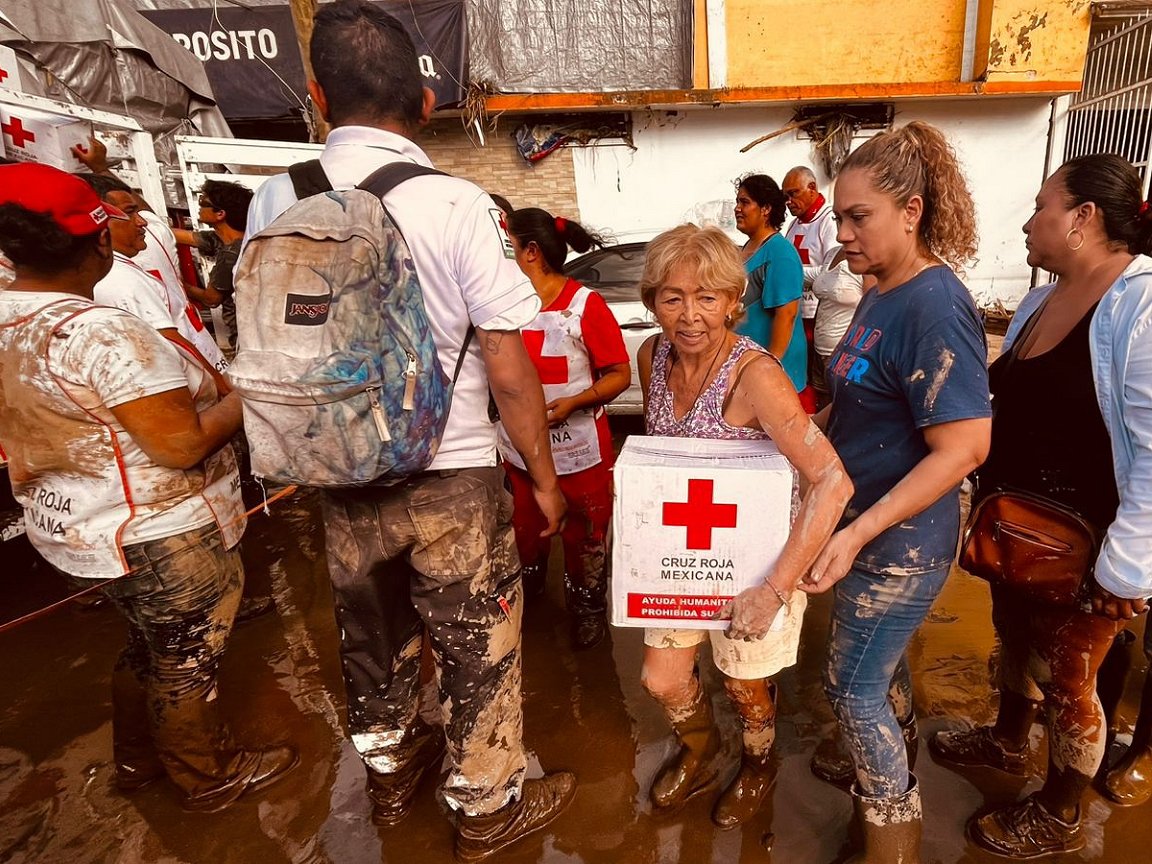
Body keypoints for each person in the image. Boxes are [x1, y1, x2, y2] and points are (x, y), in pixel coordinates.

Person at [240, 2, 573, 859]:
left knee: (372, 638)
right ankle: (488, 810)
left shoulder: (277, 198)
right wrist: (540, 473)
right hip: (449, 472)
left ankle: (393, 780)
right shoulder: (457, 202)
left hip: (335, 473)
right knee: (477, 643)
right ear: (426, 104)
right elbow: (507, 362)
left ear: (317, 95)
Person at [0, 163, 297, 812]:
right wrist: (253, 384)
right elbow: (182, 443)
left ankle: (137, 760)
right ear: (99, 241)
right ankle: (206, 775)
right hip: (155, 531)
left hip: (80, 526)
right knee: (187, 655)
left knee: (148, 644)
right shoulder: (97, 331)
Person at [929, 154, 1152, 859]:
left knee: (1071, 679)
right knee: (1017, 642)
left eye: (1040, 207)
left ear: (1083, 218)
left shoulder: (1139, 307)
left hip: (1089, 545)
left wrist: (1126, 568)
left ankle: (1059, 810)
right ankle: (1005, 740)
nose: (1027, 223)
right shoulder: (1040, 300)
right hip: (1019, 532)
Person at [797, 122, 992, 862]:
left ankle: (891, 834)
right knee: (878, 671)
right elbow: (859, 403)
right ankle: (891, 755)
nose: (839, 233)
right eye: (838, 217)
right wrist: (793, 432)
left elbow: (966, 446)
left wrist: (852, 532)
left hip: (899, 543)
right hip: (864, 526)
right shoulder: (882, 288)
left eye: (857, 217)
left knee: (851, 688)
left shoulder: (935, 304)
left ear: (911, 211)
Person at [636, 224, 853, 829]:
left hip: (755, 565)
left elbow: (831, 481)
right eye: (672, 296)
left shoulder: (754, 376)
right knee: (662, 677)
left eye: (708, 297)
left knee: (744, 687)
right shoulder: (651, 357)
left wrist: (776, 587)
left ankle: (759, 767)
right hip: (680, 555)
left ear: (735, 302)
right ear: (652, 301)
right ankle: (701, 752)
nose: (690, 315)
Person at [498, 208, 631, 650]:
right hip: (519, 454)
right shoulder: (501, 304)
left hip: (581, 454)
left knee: (586, 538)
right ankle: (529, 598)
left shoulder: (583, 305)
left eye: (507, 246)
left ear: (531, 252)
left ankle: (588, 608)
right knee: (524, 533)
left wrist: (574, 402)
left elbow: (618, 374)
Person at [79, 174, 230, 398]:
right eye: (130, 213)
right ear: (100, 220)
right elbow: (170, 341)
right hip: (191, 385)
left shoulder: (123, 263)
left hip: (201, 366)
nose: (142, 222)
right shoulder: (119, 279)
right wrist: (226, 391)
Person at [733, 174, 807, 396]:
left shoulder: (779, 252)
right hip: (747, 365)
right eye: (737, 201)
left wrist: (770, 367)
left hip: (773, 372)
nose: (737, 208)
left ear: (765, 209)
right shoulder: (747, 248)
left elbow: (787, 315)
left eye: (744, 202)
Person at [173, 180, 253, 353]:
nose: (199, 206)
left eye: (203, 202)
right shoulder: (229, 239)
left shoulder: (232, 253)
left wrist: (175, 284)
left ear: (220, 214)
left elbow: (211, 299)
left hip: (247, 341)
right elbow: (172, 233)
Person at [783, 166, 839, 408]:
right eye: (785, 196)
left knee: (822, 382)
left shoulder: (829, 221)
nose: (788, 202)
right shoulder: (794, 225)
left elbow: (832, 271)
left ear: (812, 188)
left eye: (793, 193)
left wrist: (789, 275)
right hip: (798, 311)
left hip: (819, 313)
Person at [809, 247, 869, 408]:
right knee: (822, 404)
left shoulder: (867, 257)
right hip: (819, 349)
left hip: (845, 353)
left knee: (842, 410)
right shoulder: (832, 253)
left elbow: (875, 307)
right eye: (839, 220)